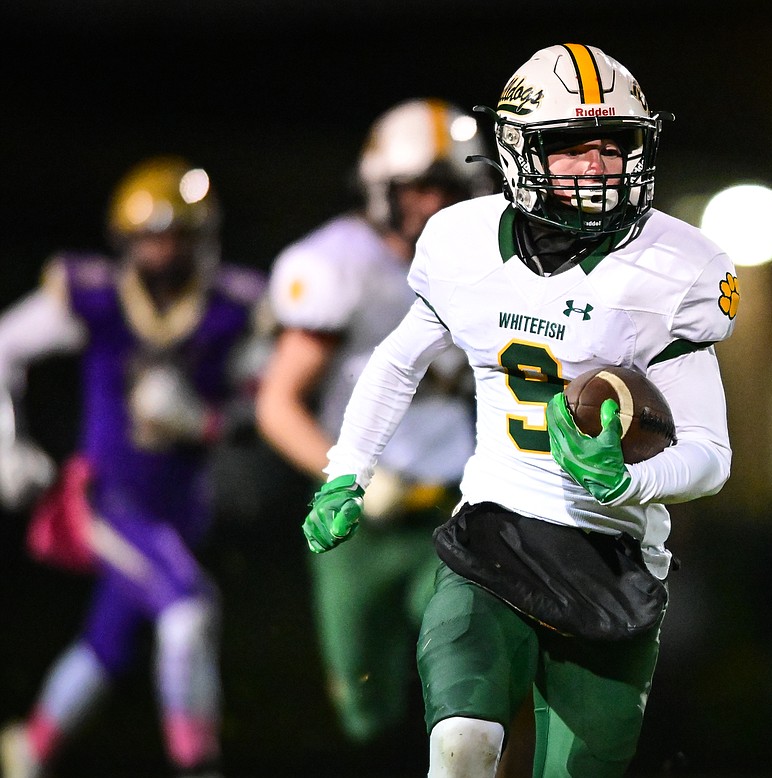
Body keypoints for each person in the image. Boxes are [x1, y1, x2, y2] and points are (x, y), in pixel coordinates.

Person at [300, 43, 738, 777]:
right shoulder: (462, 240)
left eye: (615, 144)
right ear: (516, 150)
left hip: (613, 559)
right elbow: (396, 361)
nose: (598, 165)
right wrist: (348, 471)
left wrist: (626, 481)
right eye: (572, 147)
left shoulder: (678, 267)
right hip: (492, 537)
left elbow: (711, 453)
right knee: (461, 748)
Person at [0, 156, 266, 778]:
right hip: (107, 499)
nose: (162, 252)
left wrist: (201, 420)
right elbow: (4, 344)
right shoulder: (94, 295)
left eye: (176, 236)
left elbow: (261, 408)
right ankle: (198, 765)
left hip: (180, 506)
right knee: (188, 610)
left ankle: (28, 751)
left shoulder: (233, 306)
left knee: (107, 641)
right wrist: (7, 444)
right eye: (149, 237)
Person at [256, 99, 489, 751]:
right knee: (366, 710)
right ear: (380, 187)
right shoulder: (340, 266)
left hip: (452, 512)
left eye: (448, 187)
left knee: (463, 672)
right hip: (356, 519)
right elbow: (278, 404)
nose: (434, 204)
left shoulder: (487, 261)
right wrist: (351, 475)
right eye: (419, 186)